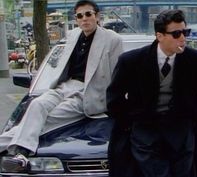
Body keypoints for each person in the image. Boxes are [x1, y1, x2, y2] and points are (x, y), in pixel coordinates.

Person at [0, 0, 123, 172]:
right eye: (80, 16)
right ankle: (19, 148)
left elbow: (118, 74)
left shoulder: (112, 39)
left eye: (88, 14)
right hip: (65, 86)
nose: (84, 19)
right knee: (36, 105)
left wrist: (116, 101)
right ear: (76, 19)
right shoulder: (72, 35)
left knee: (46, 119)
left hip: (89, 91)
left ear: (97, 16)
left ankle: (19, 150)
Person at [107, 9, 197, 177]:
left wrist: (196, 120)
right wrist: (131, 123)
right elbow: (114, 98)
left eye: (185, 32)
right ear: (159, 36)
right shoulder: (131, 61)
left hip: (182, 132)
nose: (183, 37)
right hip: (145, 133)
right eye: (176, 34)